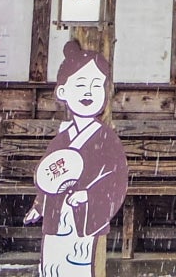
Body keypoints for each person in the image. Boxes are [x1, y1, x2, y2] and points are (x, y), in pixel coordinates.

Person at [28, 41, 128, 277]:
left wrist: (89, 195)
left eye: (96, 86)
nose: (88, 93)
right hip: (57, 215)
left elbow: (117, 177)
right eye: (81, 85)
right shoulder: (62, 139)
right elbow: (48, 175)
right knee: (53, 266)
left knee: (82, 265)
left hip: (85, 220)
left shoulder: (106, 137)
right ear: (63, 91)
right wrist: (39, 204)